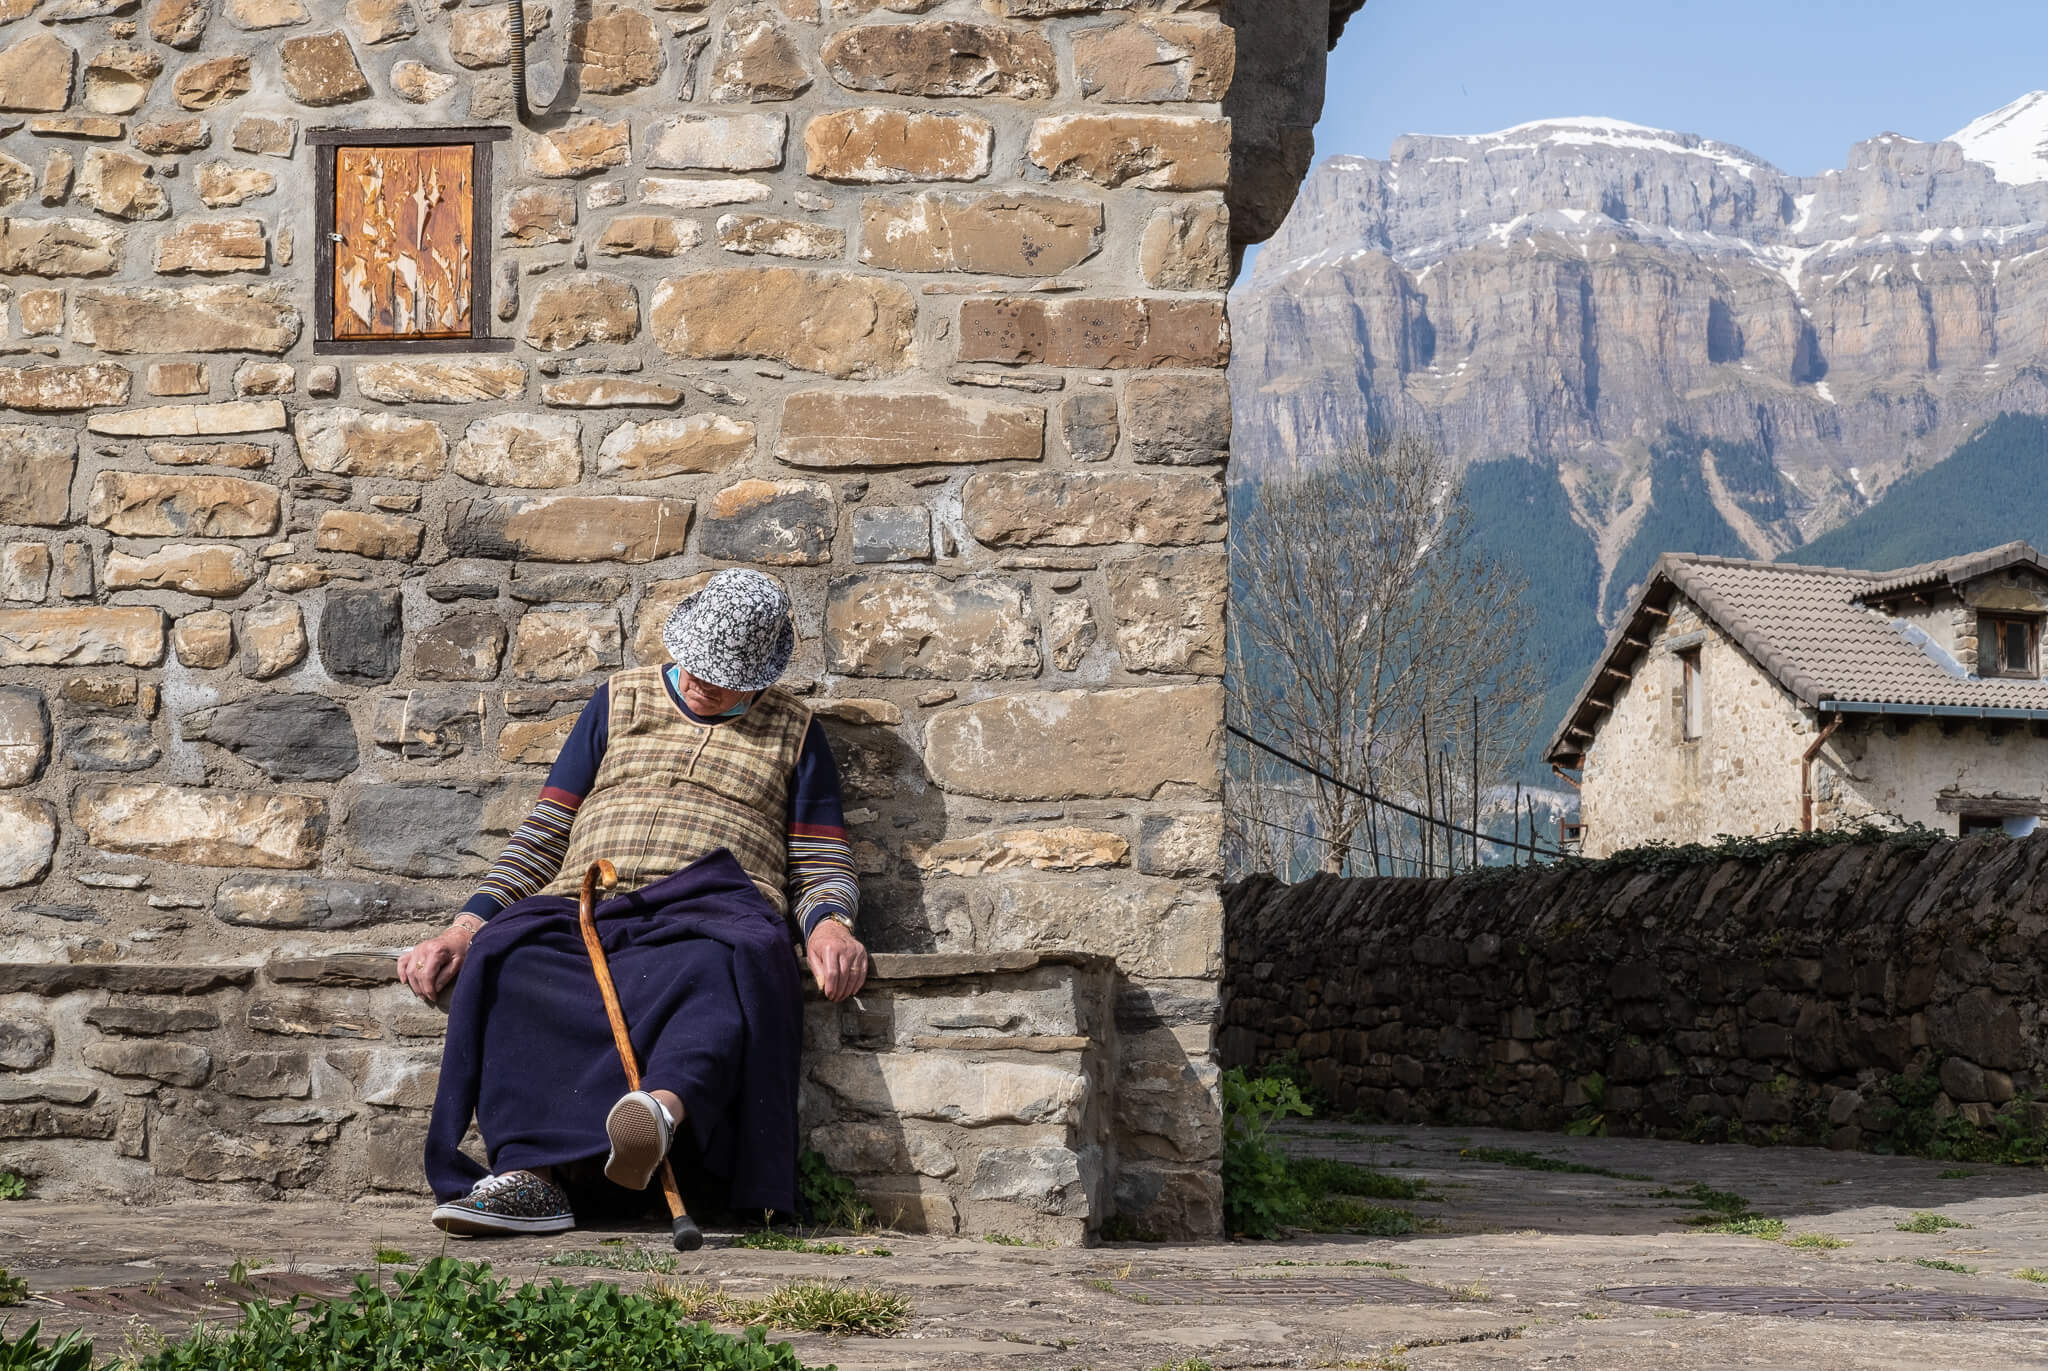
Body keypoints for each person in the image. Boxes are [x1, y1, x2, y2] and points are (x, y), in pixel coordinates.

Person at [397, 569, 870, 1235]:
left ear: (761, 674)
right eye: (698, 664)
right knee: (509, 956)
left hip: (715, 905)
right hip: (588, 899)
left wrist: (829, 926)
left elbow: (821, 859)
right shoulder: (618, 701)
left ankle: (659, 1112)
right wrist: (466, 926)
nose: (704, 679)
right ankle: (535, 1178)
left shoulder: (796, 731)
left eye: (724, 673)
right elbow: (542, 834)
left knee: (730, 964)